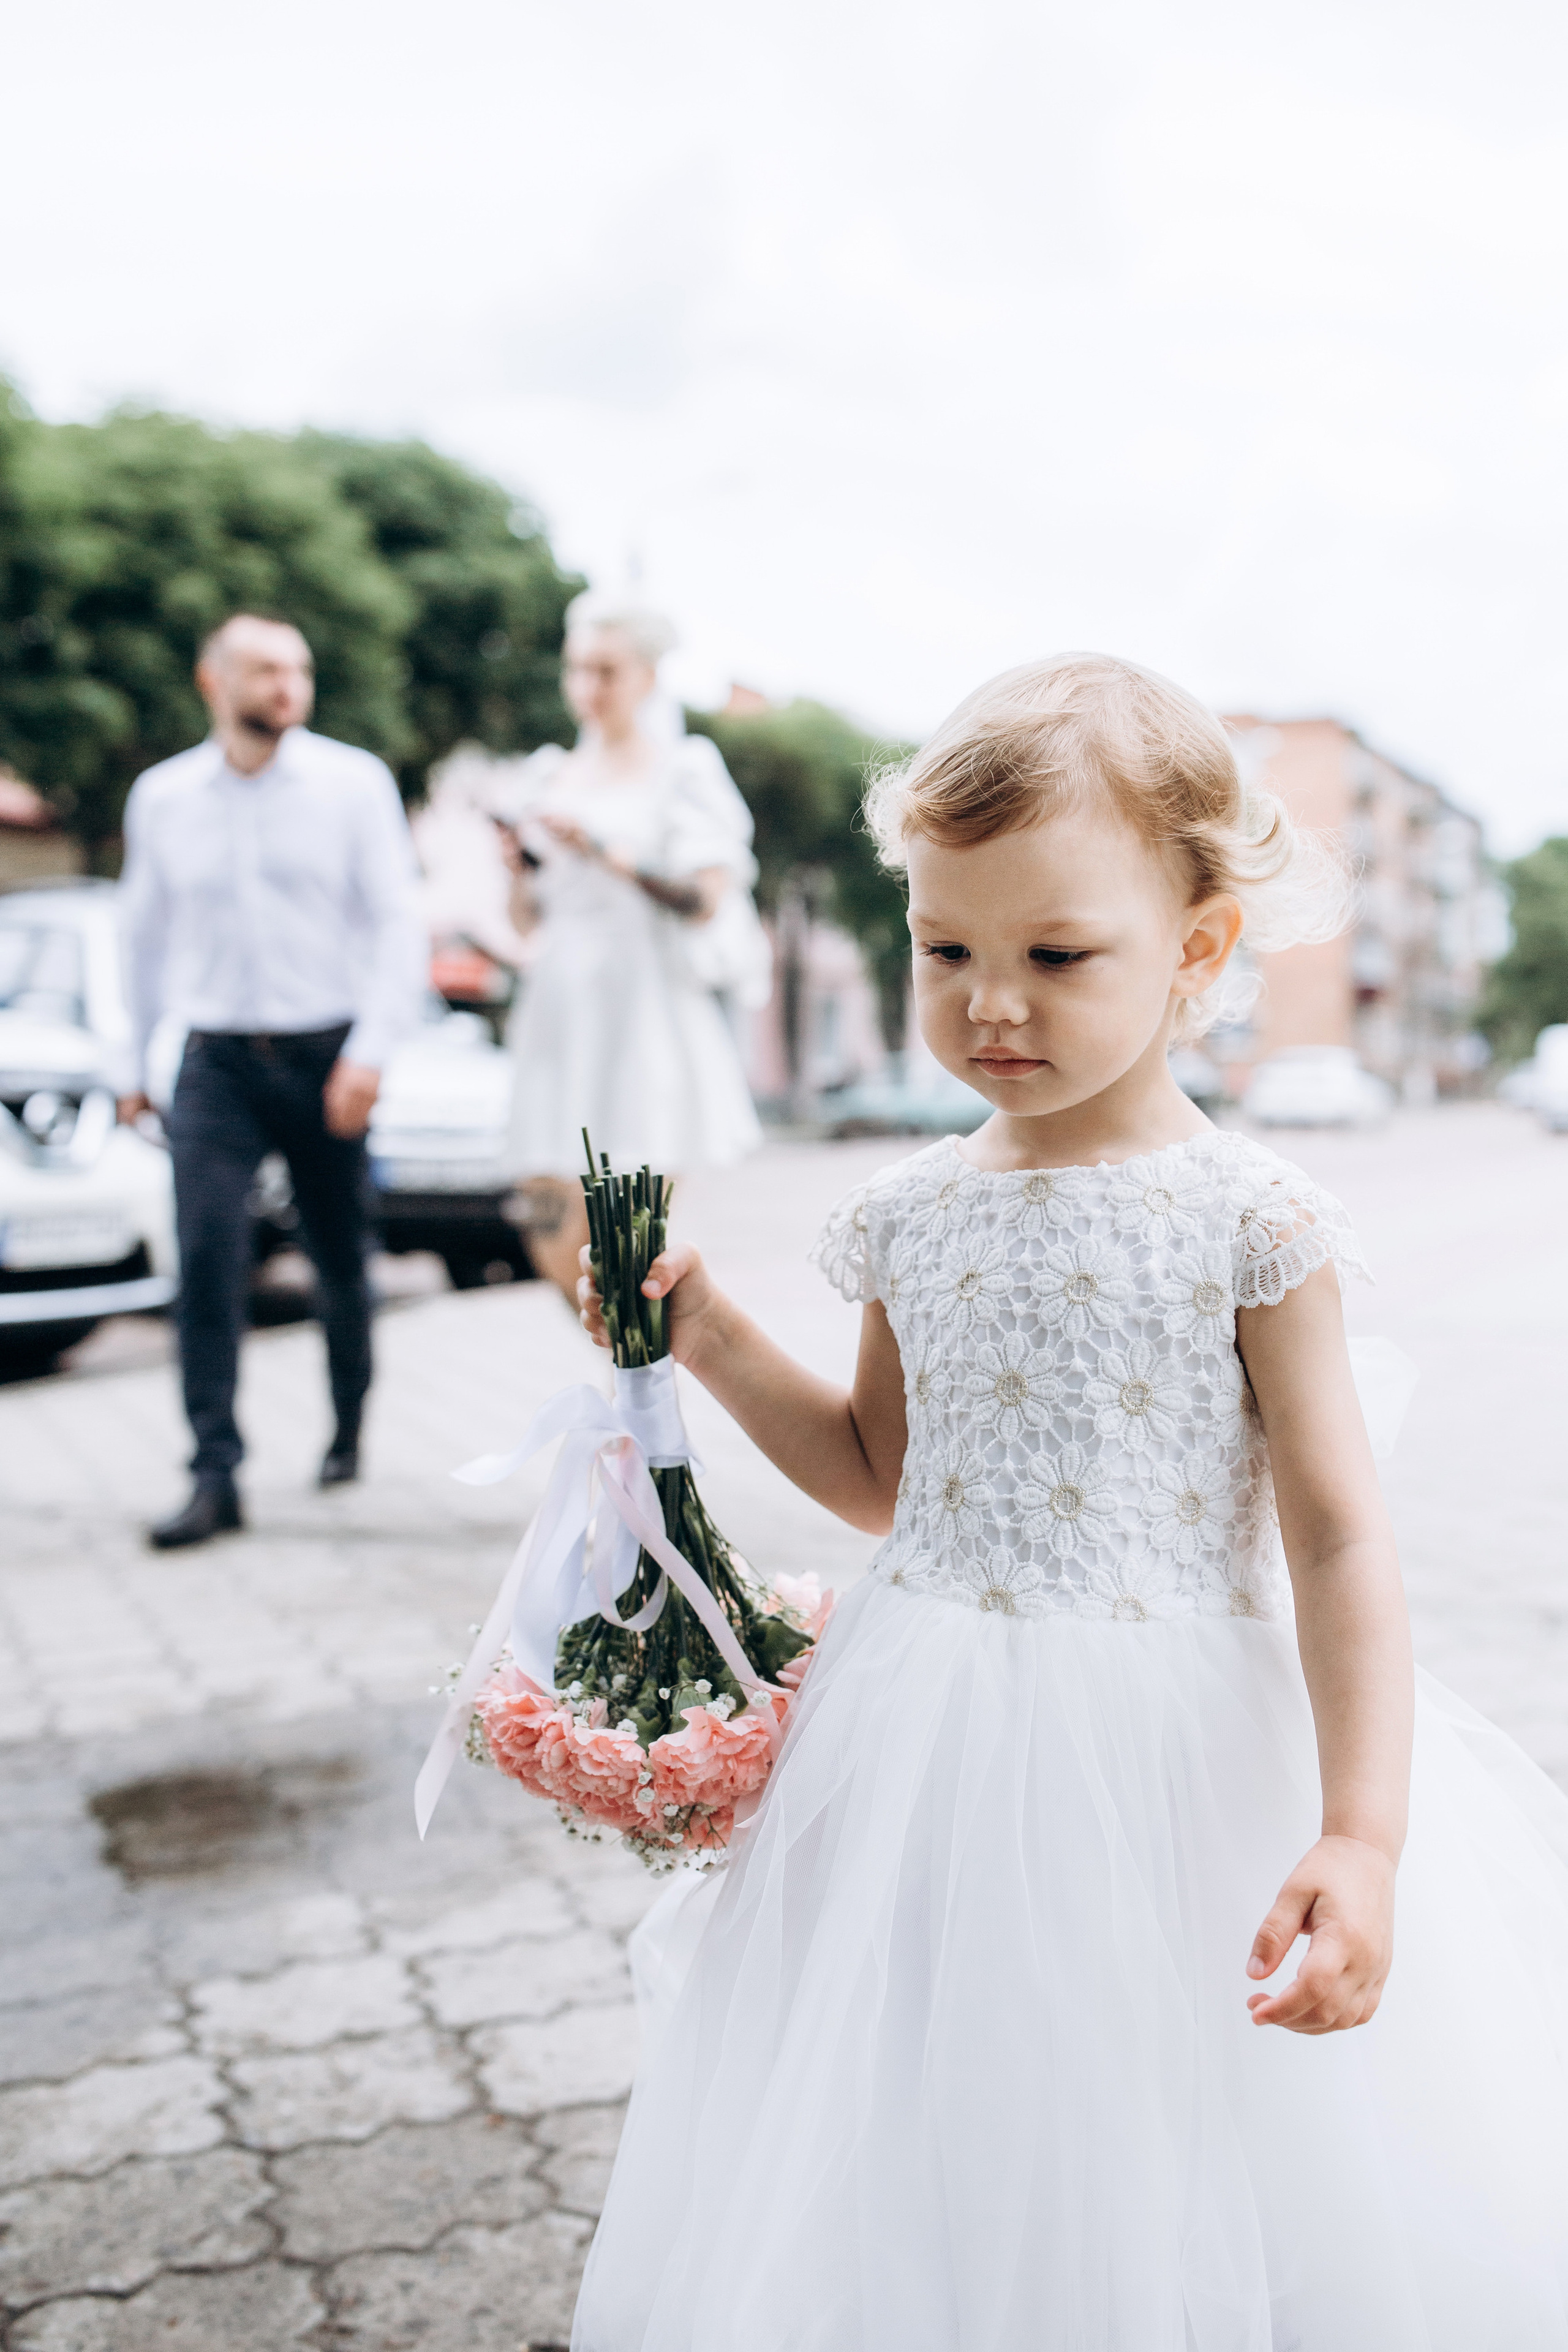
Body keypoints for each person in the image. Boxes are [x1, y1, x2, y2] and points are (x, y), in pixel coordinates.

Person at [569, 655, 1568, 2349]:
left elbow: (1336, 1537)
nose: (990, 1006)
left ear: (1196, 957)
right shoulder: (908, 1212)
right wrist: (717, 1338)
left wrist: (1361, 1832)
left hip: (1173, 1758)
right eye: (945, 950)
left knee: (1153, 2114)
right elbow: (883, 1482)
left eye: (1056, 955)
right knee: (932, 2105)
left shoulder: (1250, 1217)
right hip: (922, 1737)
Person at [118, 613, 425, 1548]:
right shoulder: (163, 797)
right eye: (264, 669)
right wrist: (131, 1066)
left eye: (298, 667)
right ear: (214, 682)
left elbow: (395, 924)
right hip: (214, 1060)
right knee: (207, 1255)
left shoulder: (352, 784)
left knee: (339, 1256)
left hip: (327, 1053)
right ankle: (215, 1471)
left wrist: (370, 1053)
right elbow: (142, 937)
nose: (287, 684)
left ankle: (346, 1424)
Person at [493, 594, 764, 1300]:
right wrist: (519, 867)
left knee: (628, 1242)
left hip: (640, 1013)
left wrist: (606, 853)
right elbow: (525, 923)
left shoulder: (683, 771)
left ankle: (642, 1396)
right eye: (577, 669)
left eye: (606, 670)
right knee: (551, 1233)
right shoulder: (545, 774)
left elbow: (705, 900)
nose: (588, 688)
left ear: (646, 675)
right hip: (558, 1010)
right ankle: (619, 1379)